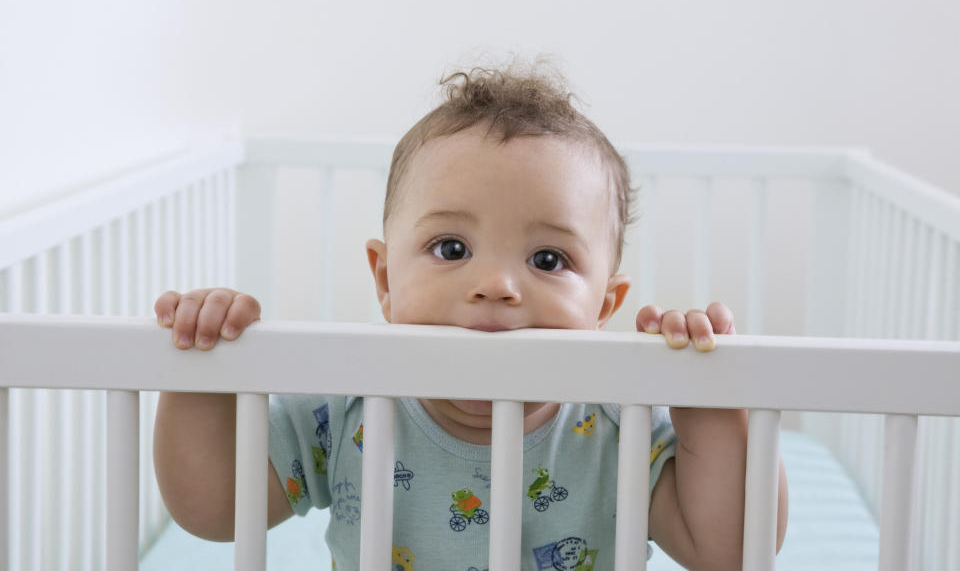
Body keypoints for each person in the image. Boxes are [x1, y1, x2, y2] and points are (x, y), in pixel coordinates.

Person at [153, 64, 788, 571]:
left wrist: (710, 404)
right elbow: (214, 510)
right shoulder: (347, 407)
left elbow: (729, 552)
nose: (495, 286)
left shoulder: (621, 425)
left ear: (603, 307)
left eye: (547, 258)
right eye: (451, 249)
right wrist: (201, 374)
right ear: (384, 279)